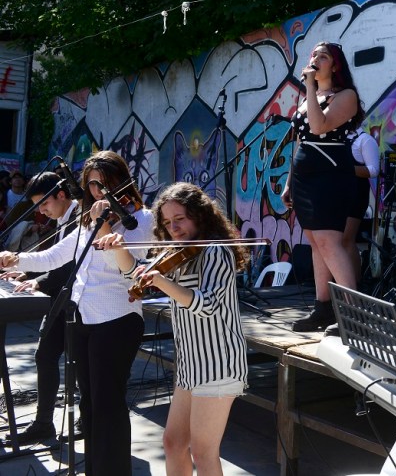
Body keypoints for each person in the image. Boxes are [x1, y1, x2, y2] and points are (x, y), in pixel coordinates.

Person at [0, 151, 154, 474]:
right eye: (92, 184)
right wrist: (17, 259)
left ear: (121, 181)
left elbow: (127, 270)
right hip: (84, 320)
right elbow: (56, 256)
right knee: (89, 403)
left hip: (118, 322)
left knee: (108, 403)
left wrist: (105, 228)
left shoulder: (141, 219)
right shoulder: (87, 220)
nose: (97, 192)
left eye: (103, 183)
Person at [127, 182, 249, 476]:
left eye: (180, 219)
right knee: (173, 443)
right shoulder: (177, 255)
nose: (174, 228)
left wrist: (161, 282)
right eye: (168, 223)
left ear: (199, 215)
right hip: (190, 365)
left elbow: (207, 304)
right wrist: (114, 246)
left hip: (218, 364)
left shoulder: (215, 251)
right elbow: (131, 270)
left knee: (203, 452)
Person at [281, 41, 364, 332]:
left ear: (336, 65)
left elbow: (318, 128)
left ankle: (354, 314)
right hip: (304, 176)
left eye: (323, 56)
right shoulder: (310, 98)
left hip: (330, 174)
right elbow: (301, 142)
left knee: (330, 241)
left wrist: (310, 86)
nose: (316, 59)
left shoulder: (346, 95)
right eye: (314, 54)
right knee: (316, 243)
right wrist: (289, 183)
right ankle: (323, 308)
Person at [2, 172, 80, 443]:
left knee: (81, 365)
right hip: (61, 300)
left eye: (44, 204)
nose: (42, 211)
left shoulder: (80, 217)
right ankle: (44, 423)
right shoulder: (62, 218)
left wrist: (37, 281)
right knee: (45, 356)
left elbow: (69, 266)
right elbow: (54, 260)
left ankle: (85, 418)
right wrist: (27, 274)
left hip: (79, 303)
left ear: (61, 195)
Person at [343, 127, 380, 279]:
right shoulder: (337, 138)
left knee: (346, 239)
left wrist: (345, 169)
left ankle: (354, 284)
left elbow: (374, 170)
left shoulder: (365, 140)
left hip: (355, 195)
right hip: (336, 195)